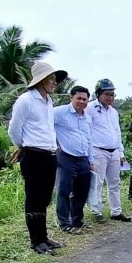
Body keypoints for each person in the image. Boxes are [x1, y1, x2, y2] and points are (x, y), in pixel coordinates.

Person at [7, 61, 67, 255]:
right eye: (51, 78)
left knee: (44, 198)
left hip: (49, 155)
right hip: (33, 155)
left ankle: (44, 237)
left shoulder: (48, 102)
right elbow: (14, 129)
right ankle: (36, 241)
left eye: (55, 79)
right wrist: (22, 146)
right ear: (40, 80)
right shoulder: (26, 100)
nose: (54, 82)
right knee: (34, 198)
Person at [87, 78, 132, 223]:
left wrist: (121, 153)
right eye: (107, 94)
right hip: (98, 151)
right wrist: (89, 155)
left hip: (114, 152)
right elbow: (86, 131)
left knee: (115, 182)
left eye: (113, 95)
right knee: (97, 182)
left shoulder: (114, 112)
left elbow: (117, 133)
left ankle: (116, 212)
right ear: (99, 94)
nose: (110, 98)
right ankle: (96, 211)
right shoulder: (90, 108)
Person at [54, 86, 94, 234]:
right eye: (79, 98)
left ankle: (77, 220)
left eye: (85, 99)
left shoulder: (87, 117)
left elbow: (89, 139)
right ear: (71, 98)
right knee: (64, 191)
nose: (82, 101)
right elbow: (44, 125)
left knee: (82, 191)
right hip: (66, 157)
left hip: (83, 159)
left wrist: (91, 159)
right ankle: (64, 224)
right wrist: (53, 145)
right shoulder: (59, 112)